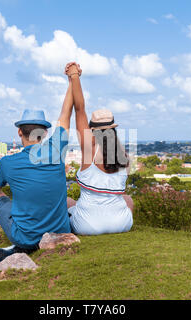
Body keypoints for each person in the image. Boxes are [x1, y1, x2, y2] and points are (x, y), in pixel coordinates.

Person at [0, 73, 76, 265]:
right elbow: (66, 113)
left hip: (26, 237)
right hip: (60, 230)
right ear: (45, 133)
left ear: (19, 132)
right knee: (67, 199)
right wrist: (72, 80)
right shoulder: (57, 149)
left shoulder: (8, 162)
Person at [65, 62, 134, 235]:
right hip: (122, 224)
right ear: (113, 129)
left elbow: (79, 109)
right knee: (128, 198)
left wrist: (74, 77)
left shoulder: (89, 149)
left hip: (87, 226)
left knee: (66, 201)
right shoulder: (123, 157)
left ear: (92, 130)